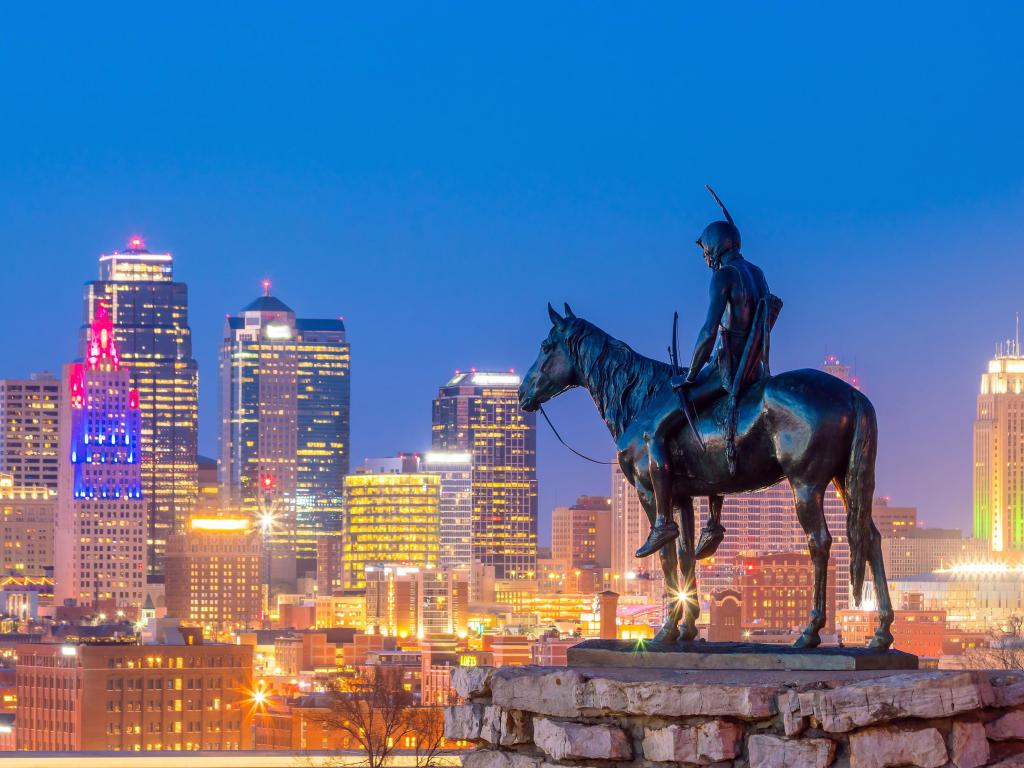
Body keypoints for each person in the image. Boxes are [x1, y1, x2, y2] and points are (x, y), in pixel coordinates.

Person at [635, 187, 779, 559]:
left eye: (704, 250)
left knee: (658, 429)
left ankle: (664, 520)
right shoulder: (758, 274)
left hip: (727, 372)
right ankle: (713, 521)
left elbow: (708, 331)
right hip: (757, 371)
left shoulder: (724, 277)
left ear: (715, 246)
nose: (703, 257)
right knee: (707, 426)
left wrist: (690, 374)